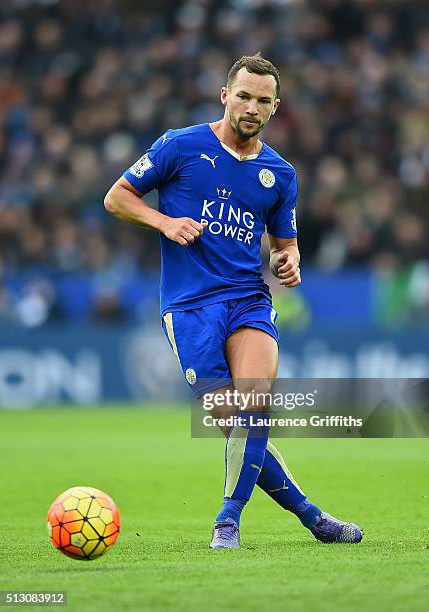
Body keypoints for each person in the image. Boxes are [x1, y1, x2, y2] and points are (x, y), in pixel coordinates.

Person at [104, 53, 363, 548]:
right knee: (233, 426)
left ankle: (228, 520)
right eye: (243, 96)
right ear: (225, 96)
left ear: (275, 108)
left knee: (253, 408)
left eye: (263, 101)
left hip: (248, 299)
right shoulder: (180, 146)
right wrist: (164, 222)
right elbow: (116, 197)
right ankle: (314, 519)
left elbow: (285, 243)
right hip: (189, 306)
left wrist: (291, 260)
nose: (251, 106)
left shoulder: (280, 173)